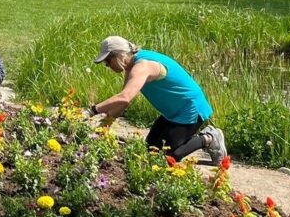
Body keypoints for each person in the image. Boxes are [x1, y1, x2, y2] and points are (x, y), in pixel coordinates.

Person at [90, 36, 226, 163]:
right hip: (172, 113)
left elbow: (125, 97)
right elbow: (123, 103)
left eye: (108, 61)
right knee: (149, 152)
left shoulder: (143, 66)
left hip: (190, 109)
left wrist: (92, 111)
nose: (107, 65)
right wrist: (105, 125)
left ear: (119, 54)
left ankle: (209, 138)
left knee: (167, 158)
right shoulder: (132, 67)